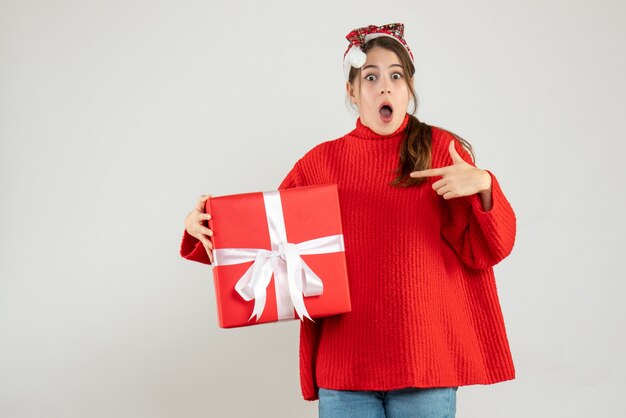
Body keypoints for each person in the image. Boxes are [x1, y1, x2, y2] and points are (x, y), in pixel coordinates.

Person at [181, 23, 516, 418]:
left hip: (425, 361)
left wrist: (484, 186)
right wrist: (202, 226)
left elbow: (490, 249)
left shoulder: (441, 151)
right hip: (345, 369)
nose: (385, 87)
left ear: (409, 88)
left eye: (396, 76)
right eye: (371, 77)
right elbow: (264, 240)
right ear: (353, 93)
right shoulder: (321, 163)